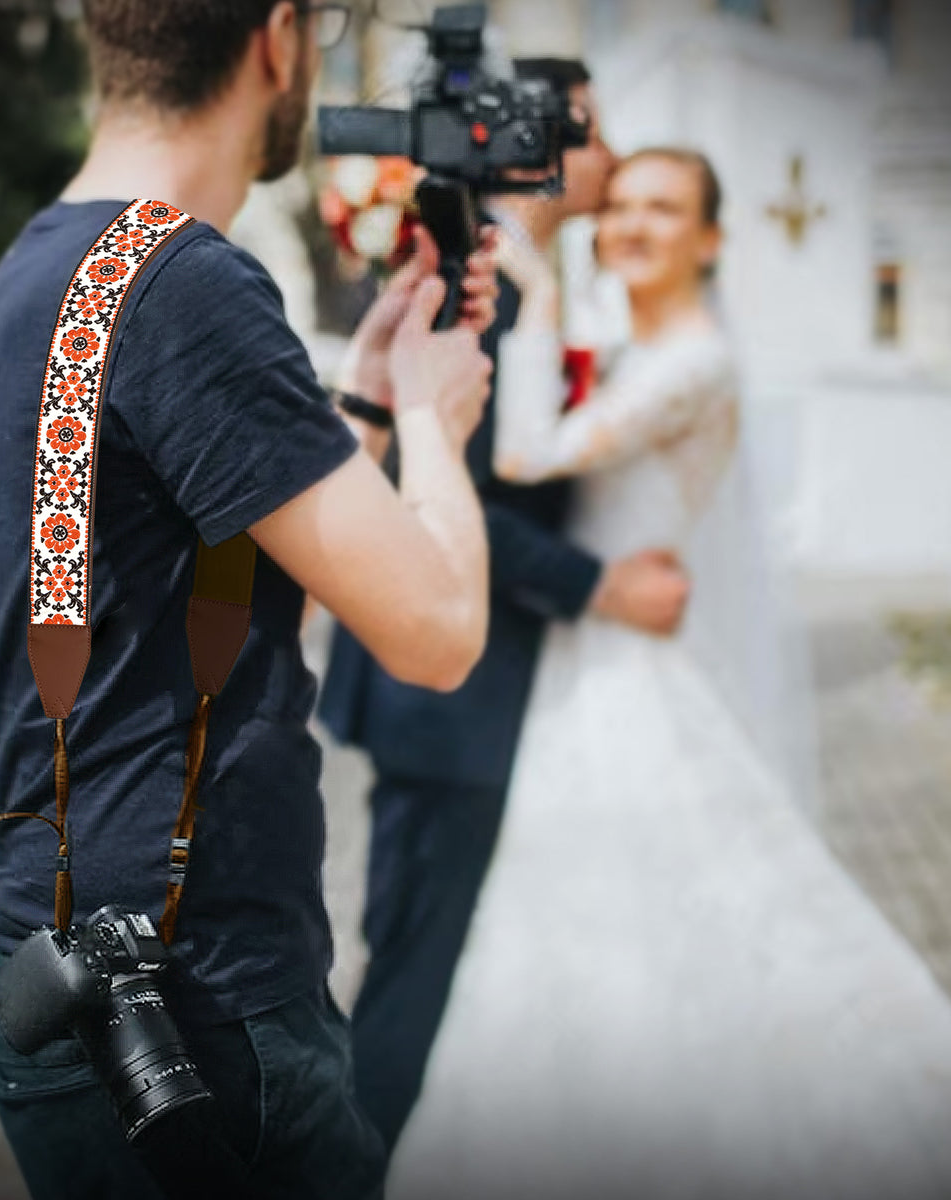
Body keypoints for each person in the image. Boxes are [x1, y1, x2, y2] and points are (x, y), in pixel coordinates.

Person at [0, 2, 503, 1197]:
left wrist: (355, 409)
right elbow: (441, 634)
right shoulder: (190, 284)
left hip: (65, 986)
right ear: (277, 39)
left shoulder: (45, 268)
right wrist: (431, 418)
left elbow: (206, 614)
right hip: (201, 1020)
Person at [388, 148, 951, 1199]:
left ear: (713, 239)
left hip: (625, 674)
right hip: (591, 656)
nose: (634, 223)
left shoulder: (695, 362)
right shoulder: (642, 348)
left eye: (666, 208)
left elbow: (523, 457)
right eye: (627, 204)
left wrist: (541, 289)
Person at [317, 57, 691, 1156]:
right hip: (449, 699)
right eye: (598, 133)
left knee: (437, 963)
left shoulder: (534, 282)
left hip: (495, 687)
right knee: (411, 976)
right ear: (541, 142)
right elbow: (456, 491)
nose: (613, 159)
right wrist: (599, 584)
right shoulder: (493, 291)